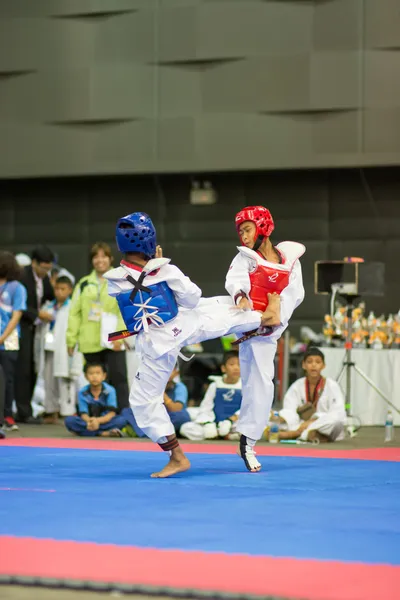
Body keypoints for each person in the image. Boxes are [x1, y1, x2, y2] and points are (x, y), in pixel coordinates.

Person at [104, 212, 273, 478]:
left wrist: (153, 263)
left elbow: (135, 289)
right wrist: (159, 263)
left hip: (156, 343)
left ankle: (177, 457)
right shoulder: (165, 270)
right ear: (149, 242)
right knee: (214, 309)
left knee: (142, 401)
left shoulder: (114, 280)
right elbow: (192, 298)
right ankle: (262, 318)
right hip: (181, 327)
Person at [225, 205, 305, 472]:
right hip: (243, 317)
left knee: (260, 386)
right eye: (240, 232)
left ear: (263, 228)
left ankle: (247, 443)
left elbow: (295, 294)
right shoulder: (247, 258)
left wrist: (275, 313)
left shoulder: (290, 260)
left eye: (247, 229)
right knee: (205, 314)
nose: (243, 237)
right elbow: (235, 280)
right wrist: (241, 296)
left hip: (266, 332)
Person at [66, 242, 129, 410]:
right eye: (96, 257)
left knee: (119, 379)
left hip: (113, 340)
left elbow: (125, 311)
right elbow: (74, 313)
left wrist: (121, 337)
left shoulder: (120, 280)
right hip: (89, 341)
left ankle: (122, 417)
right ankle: (95, 418)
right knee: (94, 380)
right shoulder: (84, 284)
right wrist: (71, 340)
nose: (100, 260)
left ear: (110, 259)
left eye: (103, 256)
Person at [15, 245, 55, 423]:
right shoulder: (21, 276)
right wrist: (38, 314)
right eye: (43, 268)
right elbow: (19, 305)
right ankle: (22, 411)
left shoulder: (45, 278)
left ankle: (26, 409)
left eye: (49, 268)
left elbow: (49, 296)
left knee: (33, 368)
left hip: (36, 330)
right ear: (34, 263)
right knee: (22, 369)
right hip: (19, 327)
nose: (46, 272)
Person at [36, 275, 83, 424]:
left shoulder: (72, 307)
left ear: (70, 290)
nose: (59, 292)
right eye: (56, 289)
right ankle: (51, 410)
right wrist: (41, 316)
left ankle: (67, 411)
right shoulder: (49, 306)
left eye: (63, 289)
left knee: (65, 378)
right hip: (49, 347)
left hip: (64, 347)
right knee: (49, 379)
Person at [277, 347, 346, 443]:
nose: (314, 365)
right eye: (309, 362)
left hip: (322, 425)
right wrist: (281, 417)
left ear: (323, 366)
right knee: (274, 420)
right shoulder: (297, 385)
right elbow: (289, 410)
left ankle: (297, 434)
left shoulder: (332, 385)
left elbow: (338, 413)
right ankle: (310, 435)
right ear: (304, 365)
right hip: (300, 424)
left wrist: (312, 421)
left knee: (336, 421)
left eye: (318, 362)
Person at [180, 351, 242, 441]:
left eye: (239, 365)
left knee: (252, 429)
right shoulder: (215, 385)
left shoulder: (246, 386)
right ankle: (217, 433)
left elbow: (248, 409)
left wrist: (230, 421)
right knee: (185, 428)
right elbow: (206, 406)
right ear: (223, 368)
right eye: (232, 364)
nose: (236, 368)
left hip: (234, 424)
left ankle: (227, 435)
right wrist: (208, 423)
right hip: (214, 421)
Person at [0, 251, 27, 432]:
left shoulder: (17, 287)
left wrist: (2, 337)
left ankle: (8, 414)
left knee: (8, 378)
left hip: (10, 340)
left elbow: (17, 315)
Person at [64, 362, 128, 437]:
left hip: (105, 421)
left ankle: (87, 432)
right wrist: (90, 421)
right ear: (86, 376)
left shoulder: (110, 390)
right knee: (69, 421)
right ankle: (102, 433)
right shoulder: (82, 392)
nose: (94, 376)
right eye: (91, 373)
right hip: (88, 421)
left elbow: (112, 413)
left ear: (104, 376)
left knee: (122, 420)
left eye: (98, 373)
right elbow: (83, 414)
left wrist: (97, 421)